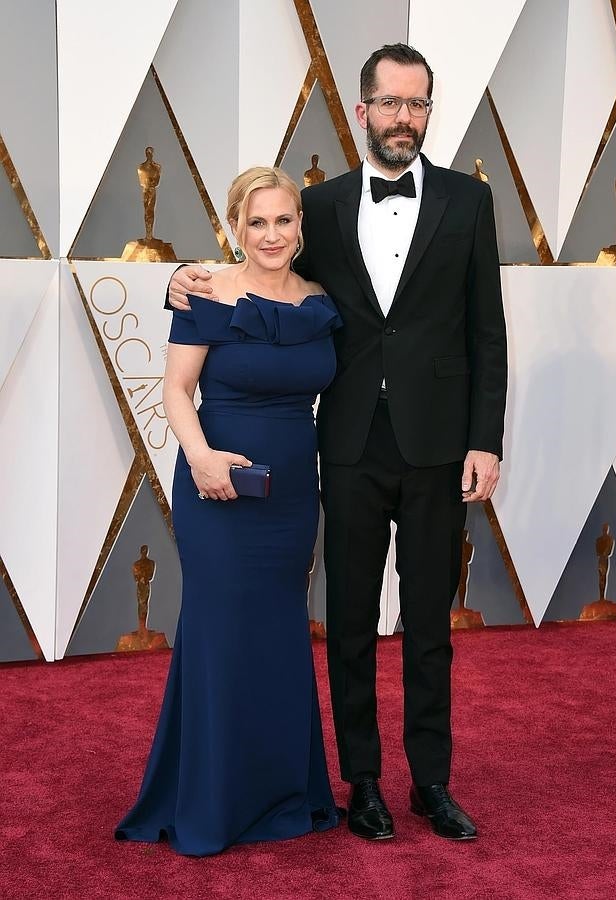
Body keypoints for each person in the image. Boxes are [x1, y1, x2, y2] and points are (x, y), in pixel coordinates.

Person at [168, 43, 507, 843]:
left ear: (429, 110)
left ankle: (430, 781)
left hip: (437, 447)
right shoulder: (317, 206)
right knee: (348, 620)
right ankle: (363, 784)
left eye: (416, 104)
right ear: (361, 112)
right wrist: (182, 276)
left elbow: (485, 330)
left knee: (429, 624)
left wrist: (484, 441)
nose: (403, 118)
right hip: (345, 447)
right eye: (388, 103)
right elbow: (258, 268)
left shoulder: (468, 202)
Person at [115, 166, 341, 856]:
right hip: (215, 490)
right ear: (234, 228)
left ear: (300, 227)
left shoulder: (321, 299)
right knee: (218, 631)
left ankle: (280, 792)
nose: (270, 234)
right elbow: (176, 389)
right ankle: (210, 801)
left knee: (277, 632)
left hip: (293, 494)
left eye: (283, 220)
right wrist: (202, 458)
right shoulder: (208, 290)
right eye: (256, 222)